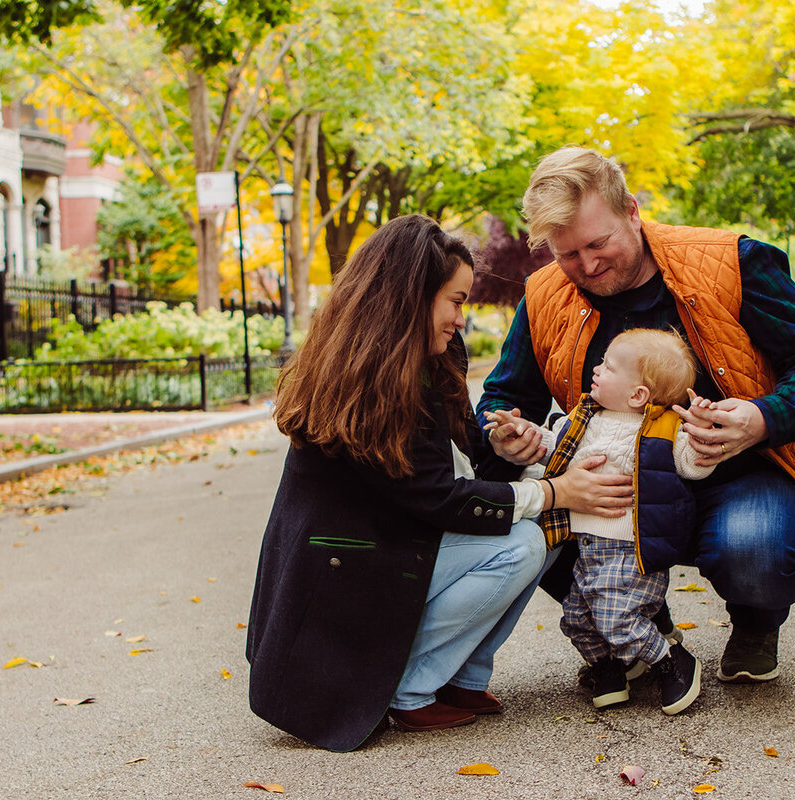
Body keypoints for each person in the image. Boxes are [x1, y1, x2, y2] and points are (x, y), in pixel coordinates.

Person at [246, 214, 631, 751]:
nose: (459, 319)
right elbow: (434, 498)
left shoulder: (430, 355)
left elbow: (457, 457)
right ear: (409, 295)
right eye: (454, 301)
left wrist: (503, 446)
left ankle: (461, 677)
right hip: (347, 573)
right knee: (524, 541)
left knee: (544, 528)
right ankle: (410, 688)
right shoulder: (365, 377)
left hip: (393, 540)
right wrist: (552, 491)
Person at [477, 146, 795, 686]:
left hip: (741, 473)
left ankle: (756, 617)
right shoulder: (543, 295)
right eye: (567, 254)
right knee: (522, 504)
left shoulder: (731, 262)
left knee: (753, 550)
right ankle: (639, 624)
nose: (586, 265)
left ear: (631, 210)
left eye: (598, 243)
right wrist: (504, 434)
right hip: (615, 492)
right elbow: (503, 399)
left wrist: (762, 417)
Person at [485, 329, 715, 715]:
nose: (596, 369)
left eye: (607, 366)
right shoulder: (582, 419)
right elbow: (550, 446)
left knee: (616, 615)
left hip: (631, 551)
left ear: (638, 395)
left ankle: (671, 661)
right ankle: (608, 668)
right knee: (577, 617)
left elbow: (691, 466)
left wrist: (702, 432)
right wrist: (523, 432)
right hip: (587, 548)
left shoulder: (660, 429)